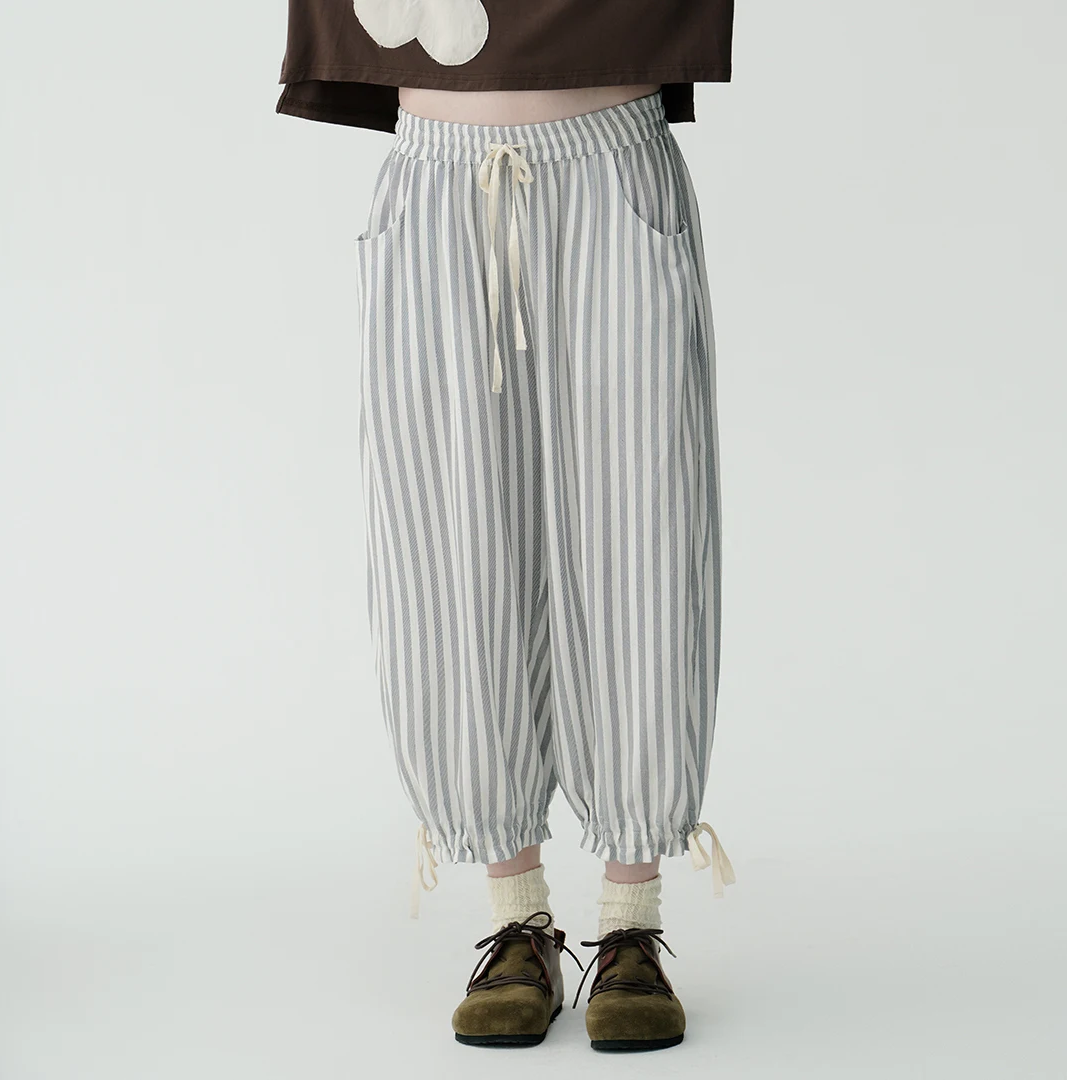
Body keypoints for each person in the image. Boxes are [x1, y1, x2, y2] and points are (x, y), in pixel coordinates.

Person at [276, 0, 736, 1052]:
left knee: (640, 527)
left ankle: (631, 919)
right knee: (451, 535)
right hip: (439, 173)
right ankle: (515, 916)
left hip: (609, 159)